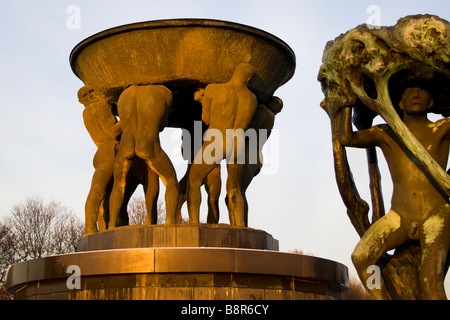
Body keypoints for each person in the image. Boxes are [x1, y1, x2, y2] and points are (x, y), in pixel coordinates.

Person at [339, 82, 450, 299]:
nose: (415, 93)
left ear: (431, 102)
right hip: (400, 216)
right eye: (409, 92)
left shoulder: (442, 129)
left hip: (437, 215)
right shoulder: (387, 133)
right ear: (399, 103)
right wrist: (344, 104)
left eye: (421, 91)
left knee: (430, 283)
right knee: (361, 257)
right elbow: (347, 138)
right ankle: (381, 297)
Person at [187, 62, 258, 226]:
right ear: (248, 79)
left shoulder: (214, 89)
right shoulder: (252, 99)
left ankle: (193, 225)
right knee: (236, 189)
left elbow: (207, 119)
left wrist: (203, 101)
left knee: (194, 180)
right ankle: (240, 226)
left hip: (217, 138)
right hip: (237, 142)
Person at [108, 84, 179, 227]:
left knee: (118, 184)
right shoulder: (163, 92)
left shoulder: (124, 96)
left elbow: (119, 128)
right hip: (148, 144)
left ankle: (111, 225)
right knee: (171, 180)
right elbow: (161, 126)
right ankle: (170, 222)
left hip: (126, 145)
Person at [228, 96, 283, 226]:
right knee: (238, 191)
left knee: (235, 190)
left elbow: (250, 130)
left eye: (274, 101)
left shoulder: (263, 110)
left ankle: (239, 226)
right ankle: (240, 225)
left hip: (248, 153)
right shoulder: (272, 118)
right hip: (257, 157)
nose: (271, 101)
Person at [78, 86, 122, 236]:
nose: (91, 94)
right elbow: (113, 132)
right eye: (86, 94)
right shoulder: (99, 106)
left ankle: (100, 228)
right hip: (110, 149)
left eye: (91, 91)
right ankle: (90, 228)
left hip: (101, 152)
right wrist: (129, 117)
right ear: (81, 100)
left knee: (104, 192)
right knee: (98, 190)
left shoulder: (86, 113)